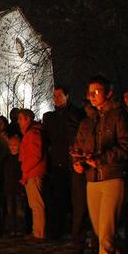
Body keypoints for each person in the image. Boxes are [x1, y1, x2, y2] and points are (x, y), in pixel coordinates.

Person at [72, 75, 128, 254]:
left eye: (96, 92)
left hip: (113, 178)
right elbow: (78, 146)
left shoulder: (118, 116)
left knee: (106, 233)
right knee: (100, 231)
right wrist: (78, 162)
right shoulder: (88, 122)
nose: (92, 96)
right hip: (92, 180)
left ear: (108, 93)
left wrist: (103, 158)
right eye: (90, 92)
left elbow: (126, 146)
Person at [42, 84, 86, 244]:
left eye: (59, 96)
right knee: (58, 200)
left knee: (78, 202)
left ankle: (79, 234)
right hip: (57, 164)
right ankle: (59, 232)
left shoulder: (76, 114)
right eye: (54, 96)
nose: (56, 99)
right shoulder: (50, 118)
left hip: (74, 163)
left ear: (67, 96)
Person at [18, 109, 47, 240]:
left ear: (27, 119)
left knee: (36, 205)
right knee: (35, 204)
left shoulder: (33, 134)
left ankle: (39, 233)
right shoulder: (30, 133)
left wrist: (25, 170)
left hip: (33, 173)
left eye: (20, 118)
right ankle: (37, 231)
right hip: (32, 172)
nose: (18, 121)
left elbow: (35, 155)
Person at [3, 135, 26, 236]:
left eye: (15, 145)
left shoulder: (22, 159)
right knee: (10, 210)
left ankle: (20, 229)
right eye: (11, 145)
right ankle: (12, 229)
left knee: (19, 210)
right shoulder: (6, 159)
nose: (12, 147)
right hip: (9, 187)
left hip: (19, 187)